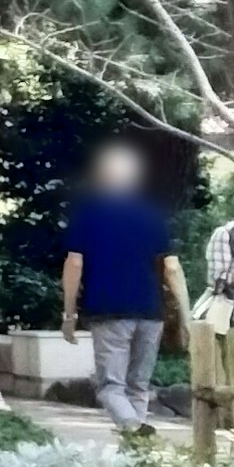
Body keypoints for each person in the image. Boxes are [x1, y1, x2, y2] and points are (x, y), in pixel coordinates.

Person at [58, 143, 188, 436]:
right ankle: (136, 454)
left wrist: (69, 314)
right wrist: (186, 316)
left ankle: (133, 427)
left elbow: (74, 265)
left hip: (108, 311)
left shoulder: (88, 214)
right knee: (138, 386)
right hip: (150, 313)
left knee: (110, 388)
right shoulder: (153, 215)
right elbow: (172, 268)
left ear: (102, 177)